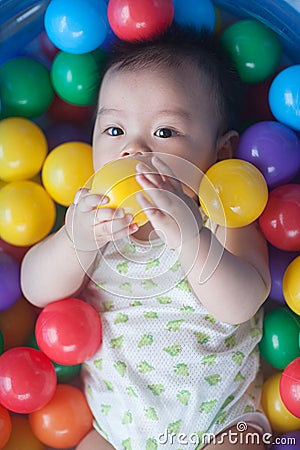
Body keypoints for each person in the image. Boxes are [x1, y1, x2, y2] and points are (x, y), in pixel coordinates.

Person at [21, 25, 271, 449]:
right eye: (114, 131)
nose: (133, 150)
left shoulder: (222, 216)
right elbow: (35, 288)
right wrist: (75, 240)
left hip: (222, 422)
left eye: (165, 132)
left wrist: (193, 239)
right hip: (114, 433)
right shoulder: (92, 219)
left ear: (221, 154)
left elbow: (244, 301)